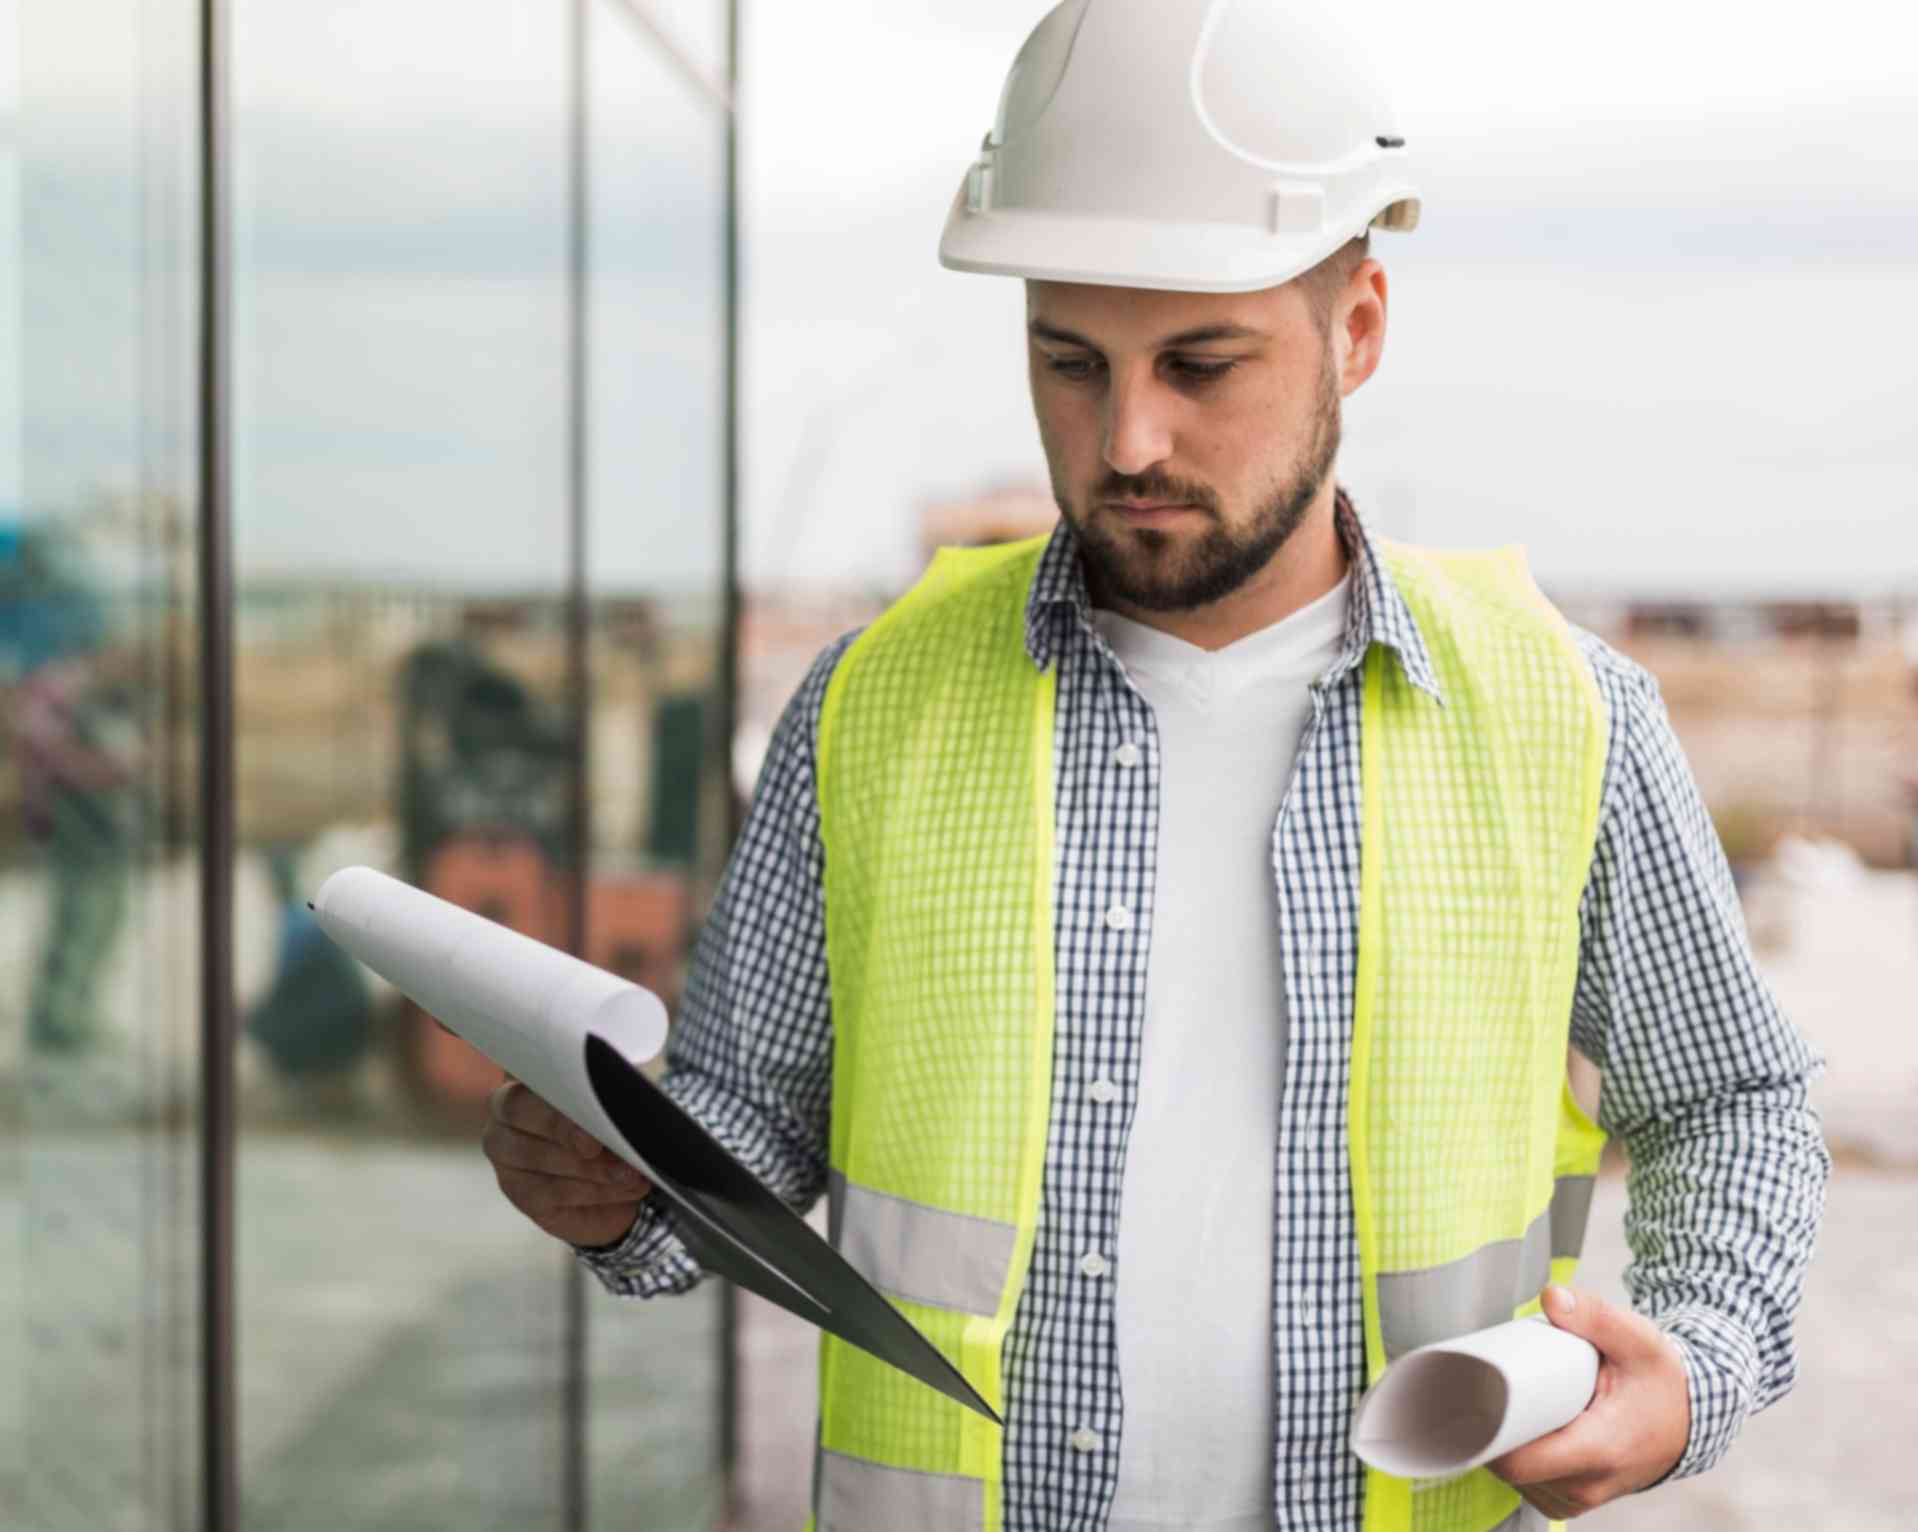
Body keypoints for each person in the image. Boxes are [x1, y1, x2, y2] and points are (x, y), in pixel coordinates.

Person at [480, 4, 1829, 1528]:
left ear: (1358, 330)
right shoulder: (870, 705)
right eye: (1069, 362)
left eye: (1201, 364)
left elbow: (1729, 1095)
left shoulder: (1559, 715)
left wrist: (1696, 1364)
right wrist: (622, 1183)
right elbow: (747, 1122)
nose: (1126, 439)